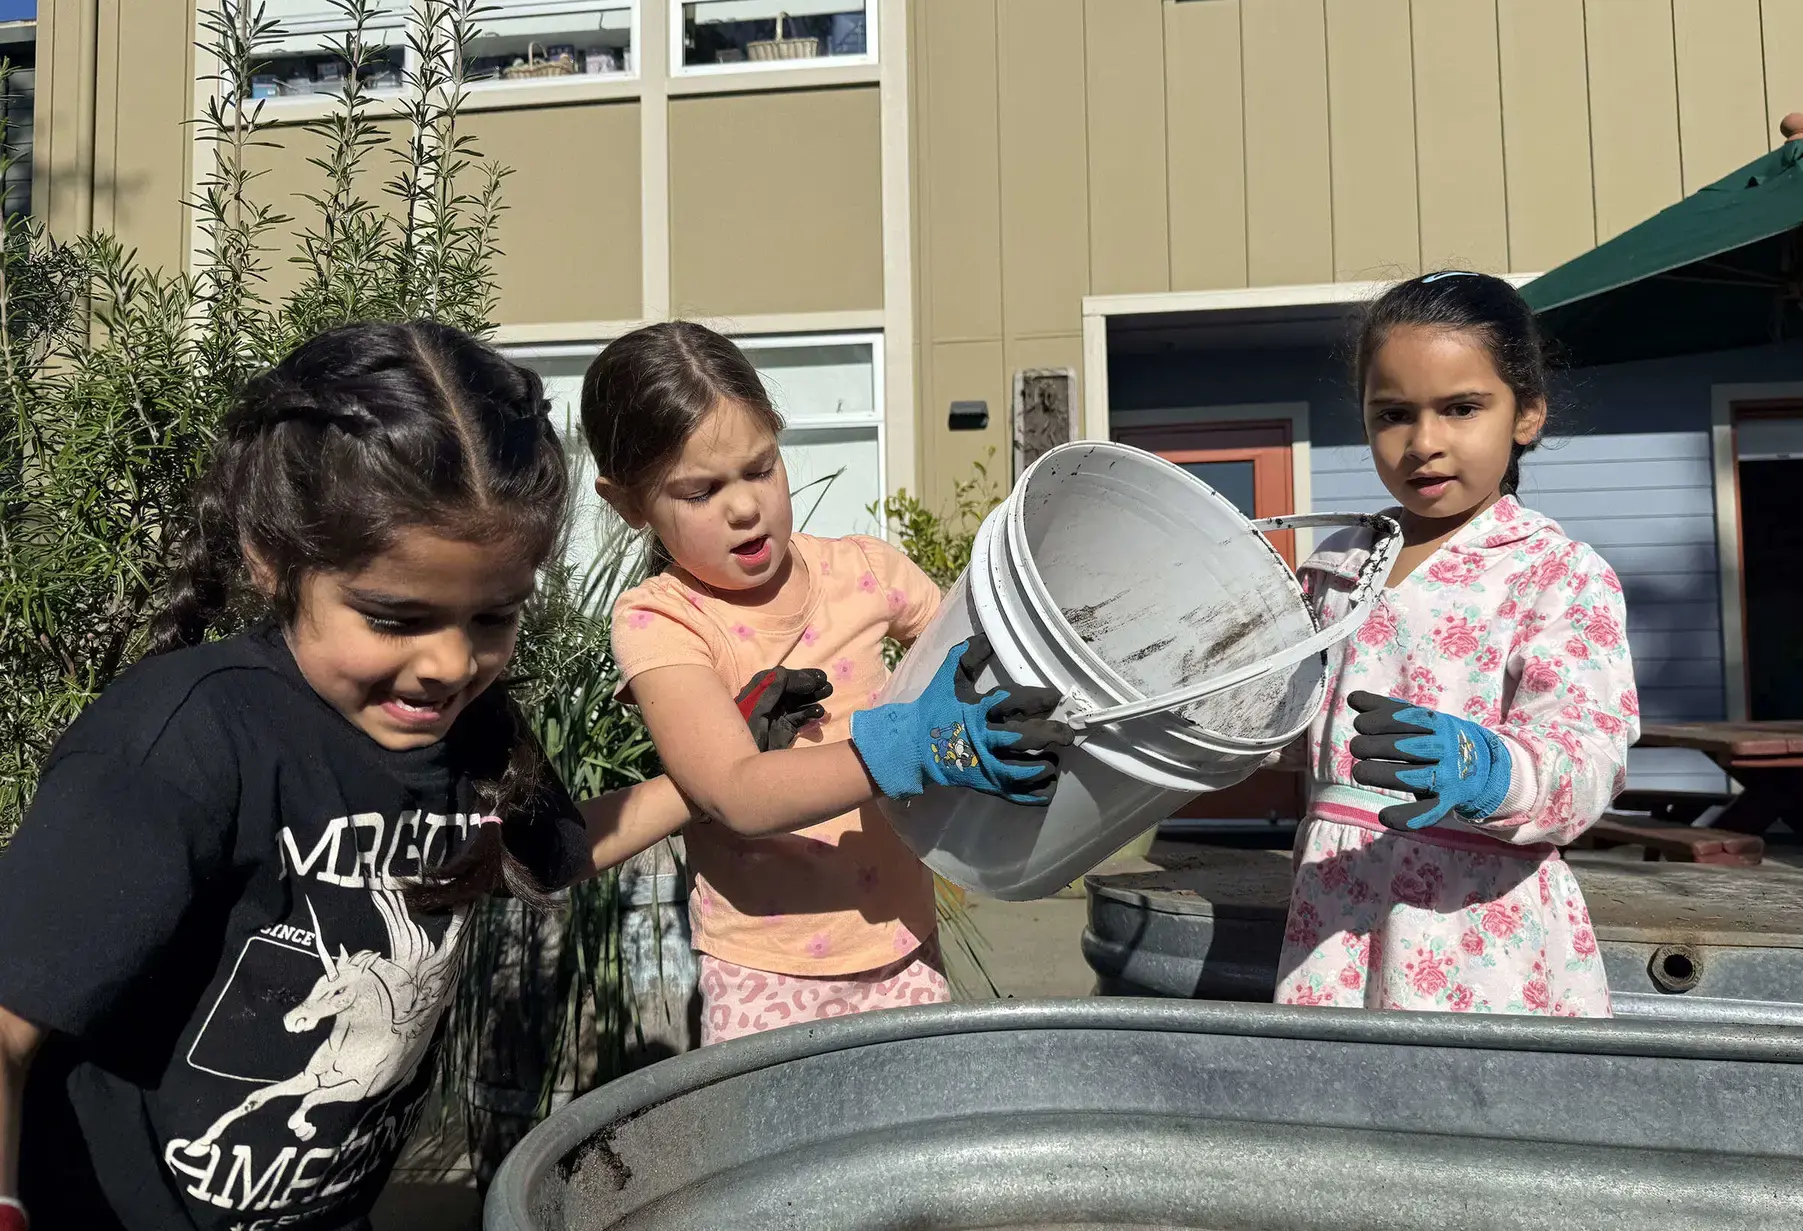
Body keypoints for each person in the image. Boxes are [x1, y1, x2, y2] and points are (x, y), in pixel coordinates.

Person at [0, 322, 1041, 1231]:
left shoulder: (475, 733)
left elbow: (557, 850)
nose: (449, 663)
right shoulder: (181, 743)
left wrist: (724, 755)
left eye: (491, 617)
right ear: (275, 559)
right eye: (395, 617)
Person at [581, 321, 1067, 1046]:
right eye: (700, 489)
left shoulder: (865, 572)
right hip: (764, 972)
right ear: (628, 504)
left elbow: (979, 655)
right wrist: (912, 746)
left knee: (908, 1151)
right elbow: (736, 793)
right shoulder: (663, 619)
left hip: (903, 941)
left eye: (760, 466)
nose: (744, 506)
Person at [1274, 271, 1639, 1017]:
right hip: (1333, 917)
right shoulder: (1335, 564)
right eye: (1394, 413)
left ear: (1527, 413)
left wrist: (1493, 769)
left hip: (1480, 936)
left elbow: (1590, 749)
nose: (1425, 442)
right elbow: (1271, 718)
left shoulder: (1557, 574)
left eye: (1462, 407)